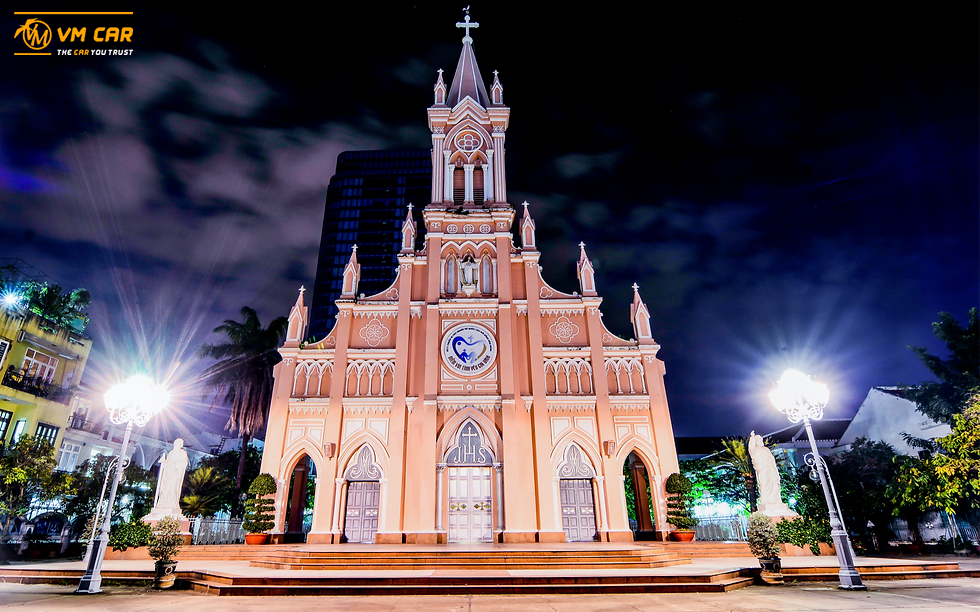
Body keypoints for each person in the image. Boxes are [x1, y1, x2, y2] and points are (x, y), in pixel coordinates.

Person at [153, 438, 189, 512]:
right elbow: (168, 462)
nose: (180, 445)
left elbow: (184, 463)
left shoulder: (183, 453)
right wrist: (165, 463)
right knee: (165, 489)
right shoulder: (171, 453)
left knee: (173, 489)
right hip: (169, 473)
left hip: (176, 473)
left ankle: (172, 504)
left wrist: (176, 463)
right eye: (179, 443)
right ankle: (163, 504)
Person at [748, 431, 782, 507]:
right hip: (761, 469)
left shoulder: (766, 449)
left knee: (773, 484)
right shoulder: (754, 450)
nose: (761, 442)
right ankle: (765, 500)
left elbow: (772, 460)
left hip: (770, 469)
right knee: (764, 484)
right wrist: (752, 438)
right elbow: (751, 448)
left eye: (761, 440)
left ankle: (775, 501)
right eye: (759, 440)